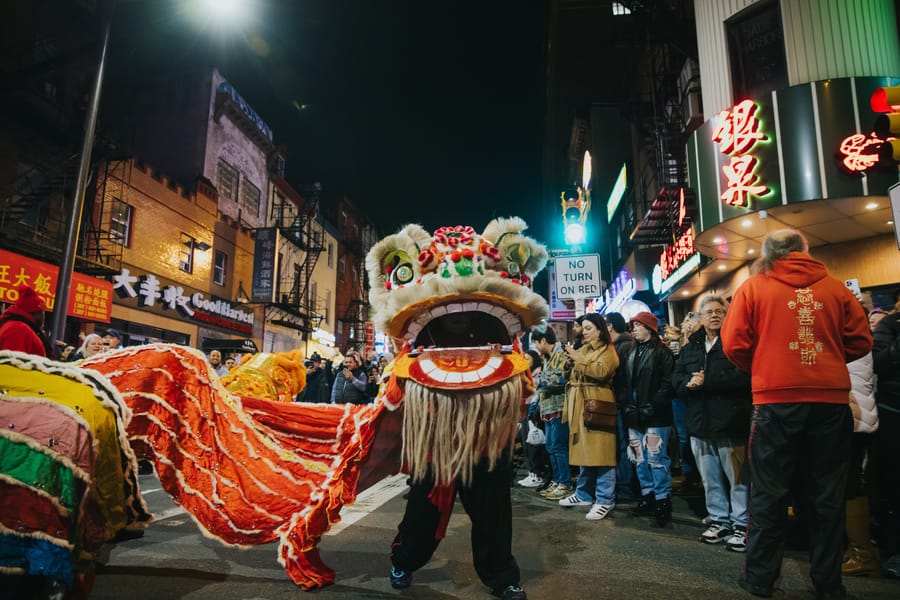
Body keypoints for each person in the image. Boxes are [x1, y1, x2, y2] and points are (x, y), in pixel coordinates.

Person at [721, 229, 871, 599]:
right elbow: (861, 340)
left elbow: (733, 342)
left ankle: (759, 578)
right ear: (805, 251)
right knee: (827, 495)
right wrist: (828, 360)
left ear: (769, 253)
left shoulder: (754, 287)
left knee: (769, 494)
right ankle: (828, 583)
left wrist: (763, 367)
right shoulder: (836, 289)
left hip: (775, 402)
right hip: (830, 403)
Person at [672, 294, 751, 551]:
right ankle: (719, 521)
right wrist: (687, 383)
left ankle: (743, 525)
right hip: (699, 423)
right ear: (701, 318)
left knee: (738, 479)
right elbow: (675, 378)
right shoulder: (691, 347)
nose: (715, 315)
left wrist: (708, 380)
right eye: (709, 312)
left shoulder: (736, 343)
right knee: (710, 479)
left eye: (720, 311)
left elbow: (744, 376)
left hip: (730, 421)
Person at [557, 313, 620, 520]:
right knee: (583, 449)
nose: (584, 332)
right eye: (583, 328)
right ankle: (583, 493)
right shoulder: (584, 349)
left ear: (600, 330)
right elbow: (571, 374)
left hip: (597, 403)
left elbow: (601, 372)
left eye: (588, 328)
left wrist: (578, 359)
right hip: (580, 403)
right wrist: (569, 363)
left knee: (602, 452)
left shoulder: (608, 350)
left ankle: (604, 500)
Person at [618, 311, 676, 527]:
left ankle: (662, 500)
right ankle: (648, 495)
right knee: (639, 458)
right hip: (635, 416)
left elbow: (668, 383)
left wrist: (653, 405)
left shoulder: (663, 352)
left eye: (637, 325)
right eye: (632, 325)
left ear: (649, 328)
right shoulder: (630, 351)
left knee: (655, 459)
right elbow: (624, 382)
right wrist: (627, 405)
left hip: (656, 418)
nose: (633, 329)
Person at [872, 296, 900, 577]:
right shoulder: (890, 325)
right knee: (893, 484)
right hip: (893, 412)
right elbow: (878, 362)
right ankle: (893, 549)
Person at [530, 328, 570, 496]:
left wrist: (539, 381)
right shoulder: (547, 358)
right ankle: (557, 480)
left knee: (559, 447)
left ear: (543, 341)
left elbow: (559, 380)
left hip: (559, 408)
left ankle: (565, 483)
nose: (536, 347)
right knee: (551, 447)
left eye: (536, 343)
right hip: (548, 408)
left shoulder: (562, 355)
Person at [605, 311, 637, 504]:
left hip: (622, 402)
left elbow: (623, 378)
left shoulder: (623, 347)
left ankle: (626, 488)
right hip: (620, 402)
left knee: (623, 446)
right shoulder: (620, 346)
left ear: (609, 327)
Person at [517, 348, 548, 488]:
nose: (525, 361)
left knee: (533, 443)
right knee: (526, 441)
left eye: (528, 358)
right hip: (526, 408)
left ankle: (537, 474)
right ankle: (532, 473)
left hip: (533, 410)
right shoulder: (525, 374)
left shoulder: (538, 373)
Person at [0, 285, 49, 356]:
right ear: (36, 313)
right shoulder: (19, 329)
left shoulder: (15, 326)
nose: (43, 318)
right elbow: (14, 362)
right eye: (42, 313)